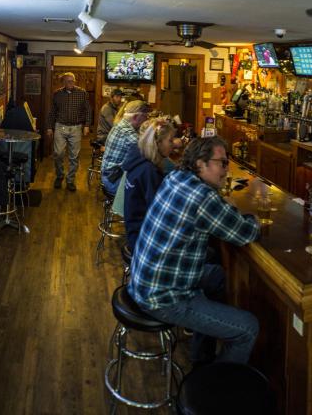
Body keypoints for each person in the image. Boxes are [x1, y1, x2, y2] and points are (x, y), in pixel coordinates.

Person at [129, 136, 260, 366]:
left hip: (145, 281)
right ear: (201, 164)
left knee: (218, 276)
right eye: (222, 162)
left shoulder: (177, 177)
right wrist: (256, 219)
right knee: (248, 328)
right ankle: (214, 390)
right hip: (163, 298)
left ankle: (201, 357)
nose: (226, 169)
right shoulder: (202, 196)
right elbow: (245, 232)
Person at [120, 117, 176, 250]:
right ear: (158, 143)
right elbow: (159, 213)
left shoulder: (138, 160)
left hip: (134, 231)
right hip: (143, 239)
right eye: (170, 140)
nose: (173, 144)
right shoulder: (149, 171)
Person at [46, 72, 91, 191]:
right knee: (58, 153)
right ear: (63, 82)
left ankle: (70, 180)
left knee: (74, 156)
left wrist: (87, 125)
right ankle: (60, 175)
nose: (71, 83)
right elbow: (52, 112)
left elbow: (88, 110)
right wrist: (49, 127)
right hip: (60, 127)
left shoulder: (82, 93)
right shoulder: (57, 94)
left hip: (76, 128)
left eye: (73, 81)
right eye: (68, 81)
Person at [101, 100, 151, 193]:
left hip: (110, 176)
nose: (146, 120)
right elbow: (149, 153)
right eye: (145, 117)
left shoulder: (120, 125)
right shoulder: (127, 132)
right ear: (136, 117)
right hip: (114, 180)